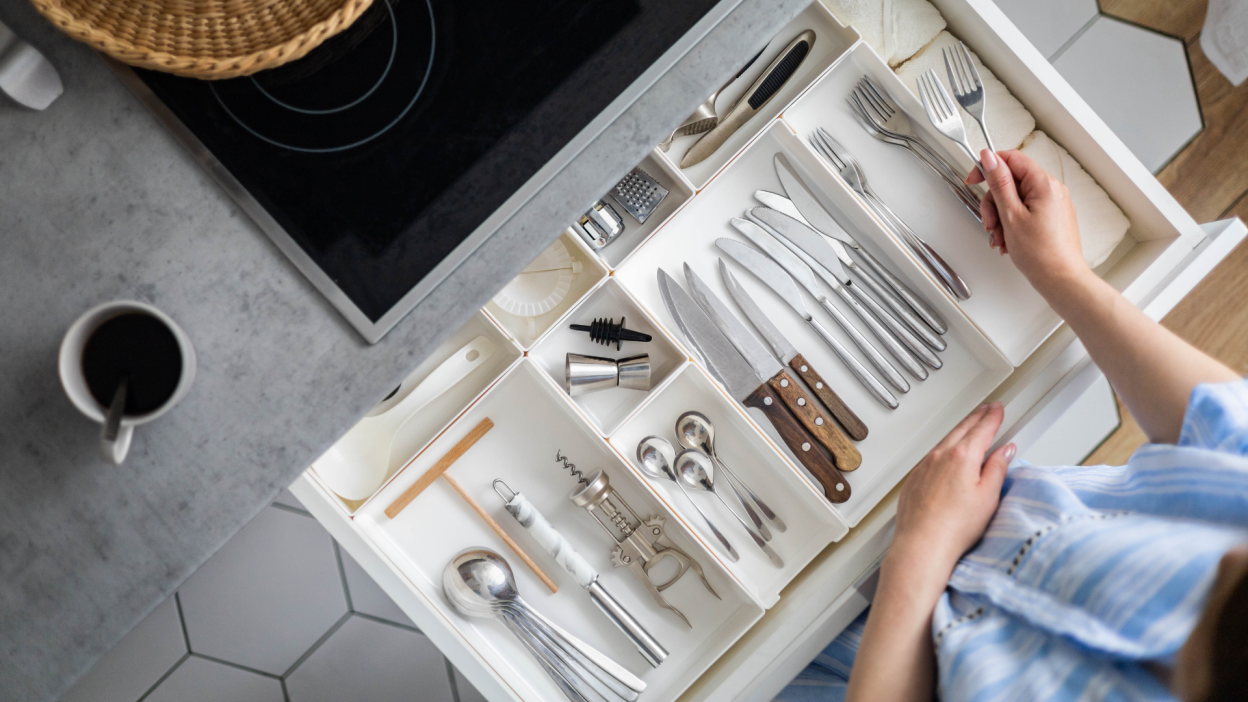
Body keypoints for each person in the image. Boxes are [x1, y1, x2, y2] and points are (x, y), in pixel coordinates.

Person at [776, 149, 1248, 702]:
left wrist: (922, 548)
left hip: (837, 664)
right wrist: (1060, 270)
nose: (1229, 551)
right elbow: (1222, 425)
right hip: (950, 486)